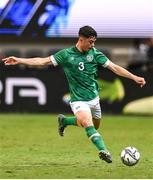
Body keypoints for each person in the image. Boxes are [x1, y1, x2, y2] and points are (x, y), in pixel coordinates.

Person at [1, 26, 146, 163]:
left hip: (94, 99)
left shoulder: (95, 54)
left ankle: (64, 121)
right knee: (88, 124)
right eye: (90, 42)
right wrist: (19, 60)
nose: (92, 45)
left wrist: (134, 77)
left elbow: (114, 67)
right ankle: (104, 151)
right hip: (78, 100)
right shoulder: (66, 55)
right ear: (81, 39)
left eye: (94, 42)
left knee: (94, 126)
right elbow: (42, 61)